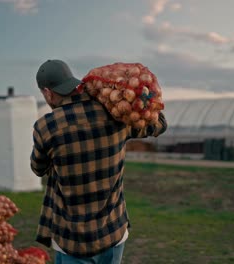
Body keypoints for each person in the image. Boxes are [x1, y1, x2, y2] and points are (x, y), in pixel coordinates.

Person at [31, 59, 167, 264]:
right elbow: (159, 124)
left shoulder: (46, 127)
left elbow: (38, 168)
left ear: (48, 92)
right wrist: (140, 100)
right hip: (114, 233)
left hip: (74, 242)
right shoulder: (114, 114)